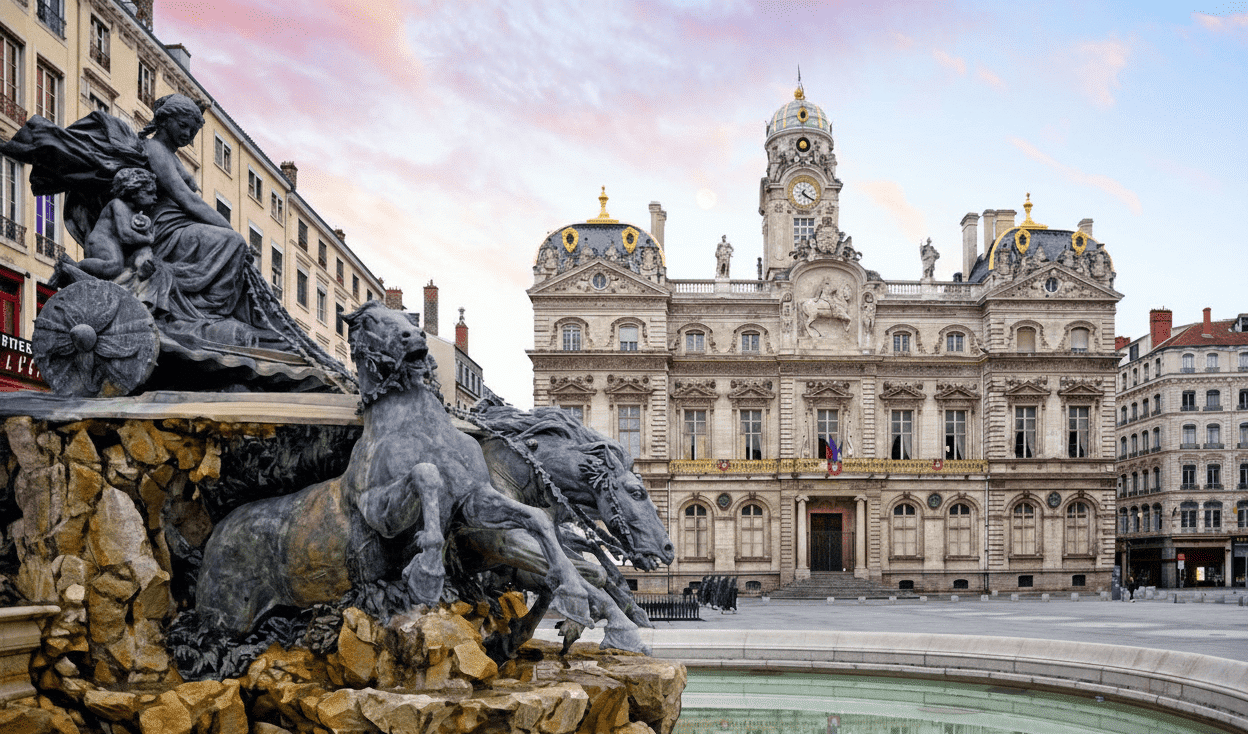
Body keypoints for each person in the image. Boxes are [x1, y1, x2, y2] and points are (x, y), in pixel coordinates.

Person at [78, 168, 157, 281]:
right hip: (101, 241)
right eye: (149, 193)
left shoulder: (134, 213)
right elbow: (126, 235)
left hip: (113, 244)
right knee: (114, 266)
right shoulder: (118, 204)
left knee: (122, 267)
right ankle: (77, 266)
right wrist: (148, 239)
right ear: (133, 192)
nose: (155, 197)